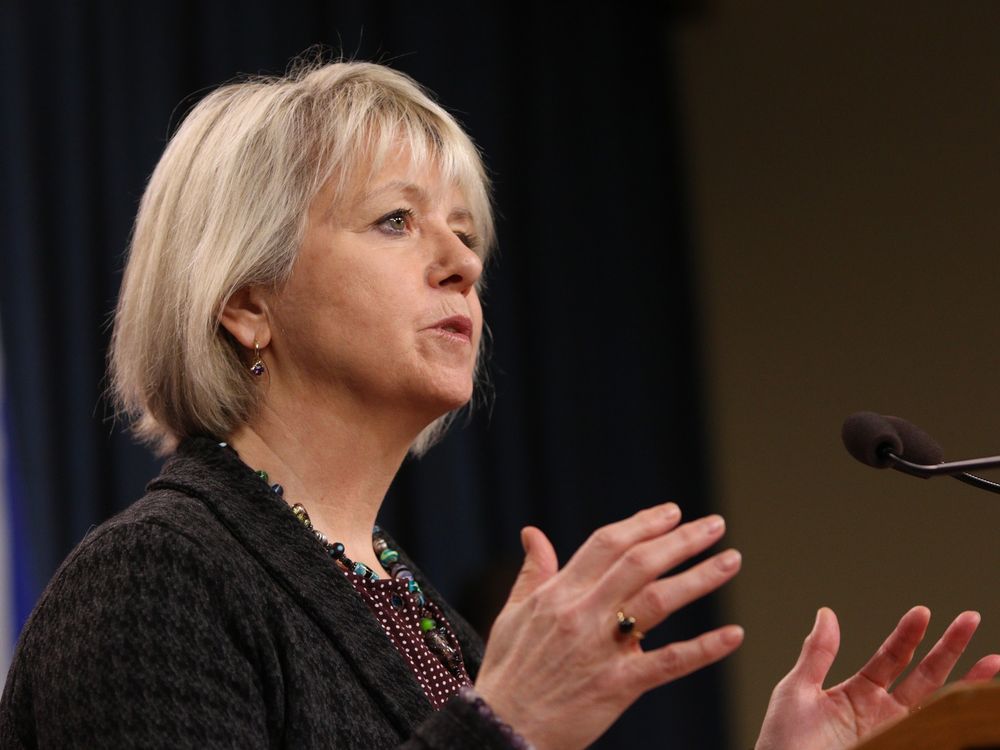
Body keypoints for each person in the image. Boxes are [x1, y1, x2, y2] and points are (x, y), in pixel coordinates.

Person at [1, 60, 996, 750]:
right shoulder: (154, 583)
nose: (462, 262)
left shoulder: (420, 617)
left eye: (466, 231)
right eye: (395, 220)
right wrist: (499, 725)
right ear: (246, 302)